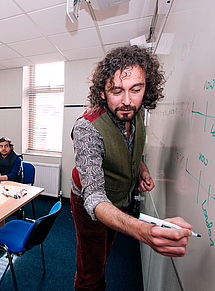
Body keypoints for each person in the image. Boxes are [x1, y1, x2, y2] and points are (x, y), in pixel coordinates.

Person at [70, 45, 193, 291]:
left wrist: (141, 168)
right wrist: (143, 231)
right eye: (117, 91)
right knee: (91, 269)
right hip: (89, 202)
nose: (127, 100)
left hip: (117, 200)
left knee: (104, 251)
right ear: (102, 93)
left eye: (136, 89)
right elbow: (94, 197)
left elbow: (127, 148)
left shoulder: (134, 112)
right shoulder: (87, 128)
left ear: (146, 88)